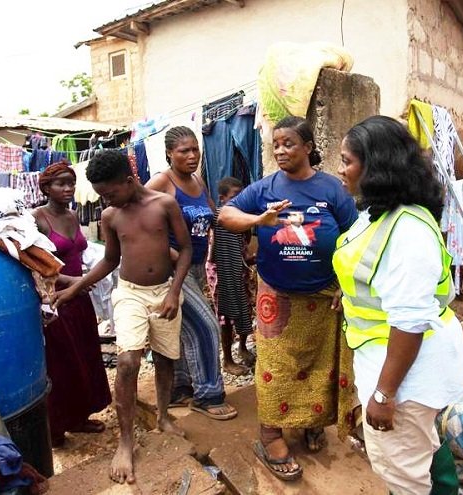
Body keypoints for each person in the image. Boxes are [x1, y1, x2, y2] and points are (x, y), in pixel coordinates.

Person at [219, 116, 358, 481]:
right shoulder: (265, 187)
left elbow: (357, 236)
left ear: (309, 148)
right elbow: (226, 214)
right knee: (275, 370)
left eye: (289, 144)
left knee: (319, 366)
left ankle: (313, 420)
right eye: (276, 144)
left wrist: (347, 285)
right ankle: (270, 436)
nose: (280, 150)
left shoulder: (332, 190)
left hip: (324, 295)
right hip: (276, 297)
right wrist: (257, 220)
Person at [334, 116, 463, 494]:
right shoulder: (379, 211)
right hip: (390, 361)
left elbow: (409, 322)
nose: (341, 170)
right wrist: (346, 294)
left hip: (404, 373)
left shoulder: (408, 229)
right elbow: (370, 271)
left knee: (401, 470)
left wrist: (383, 395)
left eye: (347, 161)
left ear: (374, 167)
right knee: (421, 446)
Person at [54, 150, 190, 484]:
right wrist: (76, 288)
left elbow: (185, 249)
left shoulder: (164, 205)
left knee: (165, 357)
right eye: (102, 196)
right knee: (128, 361)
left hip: (164, 291)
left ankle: (163, 417)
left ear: (129, 181)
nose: (107, 200)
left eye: (111, 193)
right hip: (129, 293)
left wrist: (173, 292)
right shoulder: (111, 216)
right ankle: (125, 441)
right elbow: (110, 260)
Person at [145, 126, 238, 419]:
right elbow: (136, 214)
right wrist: (168, 251)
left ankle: (179, 387)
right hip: (173, 270)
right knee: (206, 326)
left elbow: (216, 216)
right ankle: (208, 395)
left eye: (195, 149)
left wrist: (254, 220)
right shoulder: (162, 181)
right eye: (184, 150)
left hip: (196, 266)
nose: (192, 155)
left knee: (184, 328)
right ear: (169, 154)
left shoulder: (197, 181)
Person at [32, 162, 112, 447]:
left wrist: (81, 282)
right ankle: (56, 428)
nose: (67, 189)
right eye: (60, 183)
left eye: (71, 183)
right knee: (60, 362)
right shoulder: (37, 219)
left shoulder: (73, 215)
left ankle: (80, 417)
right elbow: (36, 264)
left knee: (84, 355)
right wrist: (71, 281)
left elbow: (83, 255)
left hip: (79, 297)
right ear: (46, 188)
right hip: (55, 299)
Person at [209, 177, 255, 375]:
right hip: (222, 273)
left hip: (240, 270)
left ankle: (243, 347)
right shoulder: (218, 220)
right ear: (222, 198)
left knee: (245, 308)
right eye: (234, 197)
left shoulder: (244, 219)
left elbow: (243, 249)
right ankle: (227, 360)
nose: (239, 201)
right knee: (225, 316)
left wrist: (251, 261)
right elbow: (214, 254)